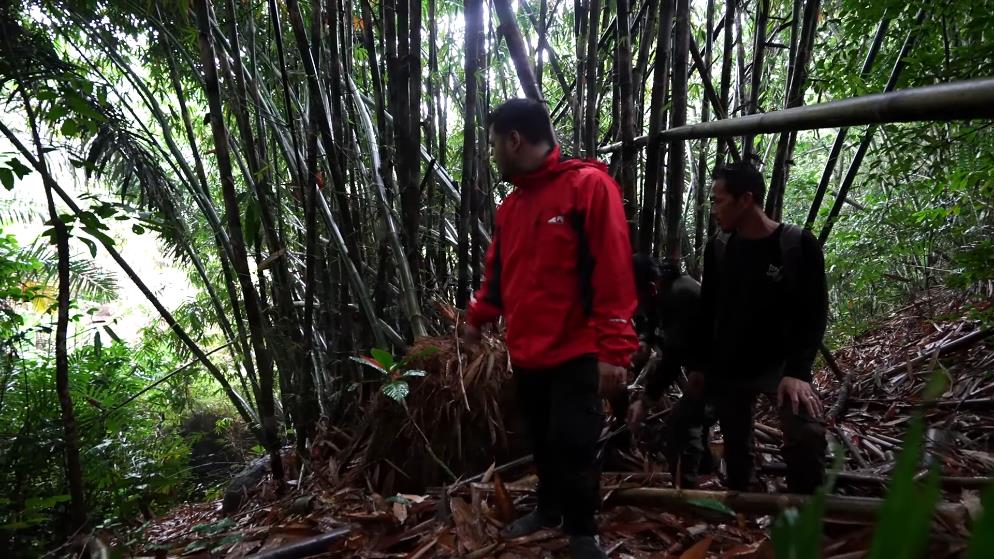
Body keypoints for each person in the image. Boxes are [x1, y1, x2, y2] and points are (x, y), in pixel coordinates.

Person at [463, 98, 638, 558]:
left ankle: (582, 532)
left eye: (494, 144)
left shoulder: (589, 188)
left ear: (514, 140)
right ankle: (549, 510)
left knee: (574, 441)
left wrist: (614, 349)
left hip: (577, 348)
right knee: (541, 438)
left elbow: (614, 270)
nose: (493, 153)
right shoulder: (512, 207)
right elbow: (499, 272)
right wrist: (480, 316)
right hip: (527, 351)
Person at [669, 160, 828, 494]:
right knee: (730, 446)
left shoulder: (798, 245)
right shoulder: (720, 248)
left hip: (781, 364)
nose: (713, 209)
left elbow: (813, 315)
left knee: (805, 434)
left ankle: (804, 511)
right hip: (731, 366)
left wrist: (798, 372)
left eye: (718, 200)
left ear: (746, 200)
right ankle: (744, 501)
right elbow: (709, 310)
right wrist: (699, 366)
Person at [626, 255, 713, 487]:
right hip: (703, 368)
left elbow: (671, 361)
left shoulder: (680, 295)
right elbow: (653, 319)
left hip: (720, 370)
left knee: (680, 428)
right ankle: (706, 475)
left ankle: (686, 492)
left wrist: (645, 402)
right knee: (694, 423)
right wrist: (645, 339)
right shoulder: (665, 289)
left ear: (652, 288)